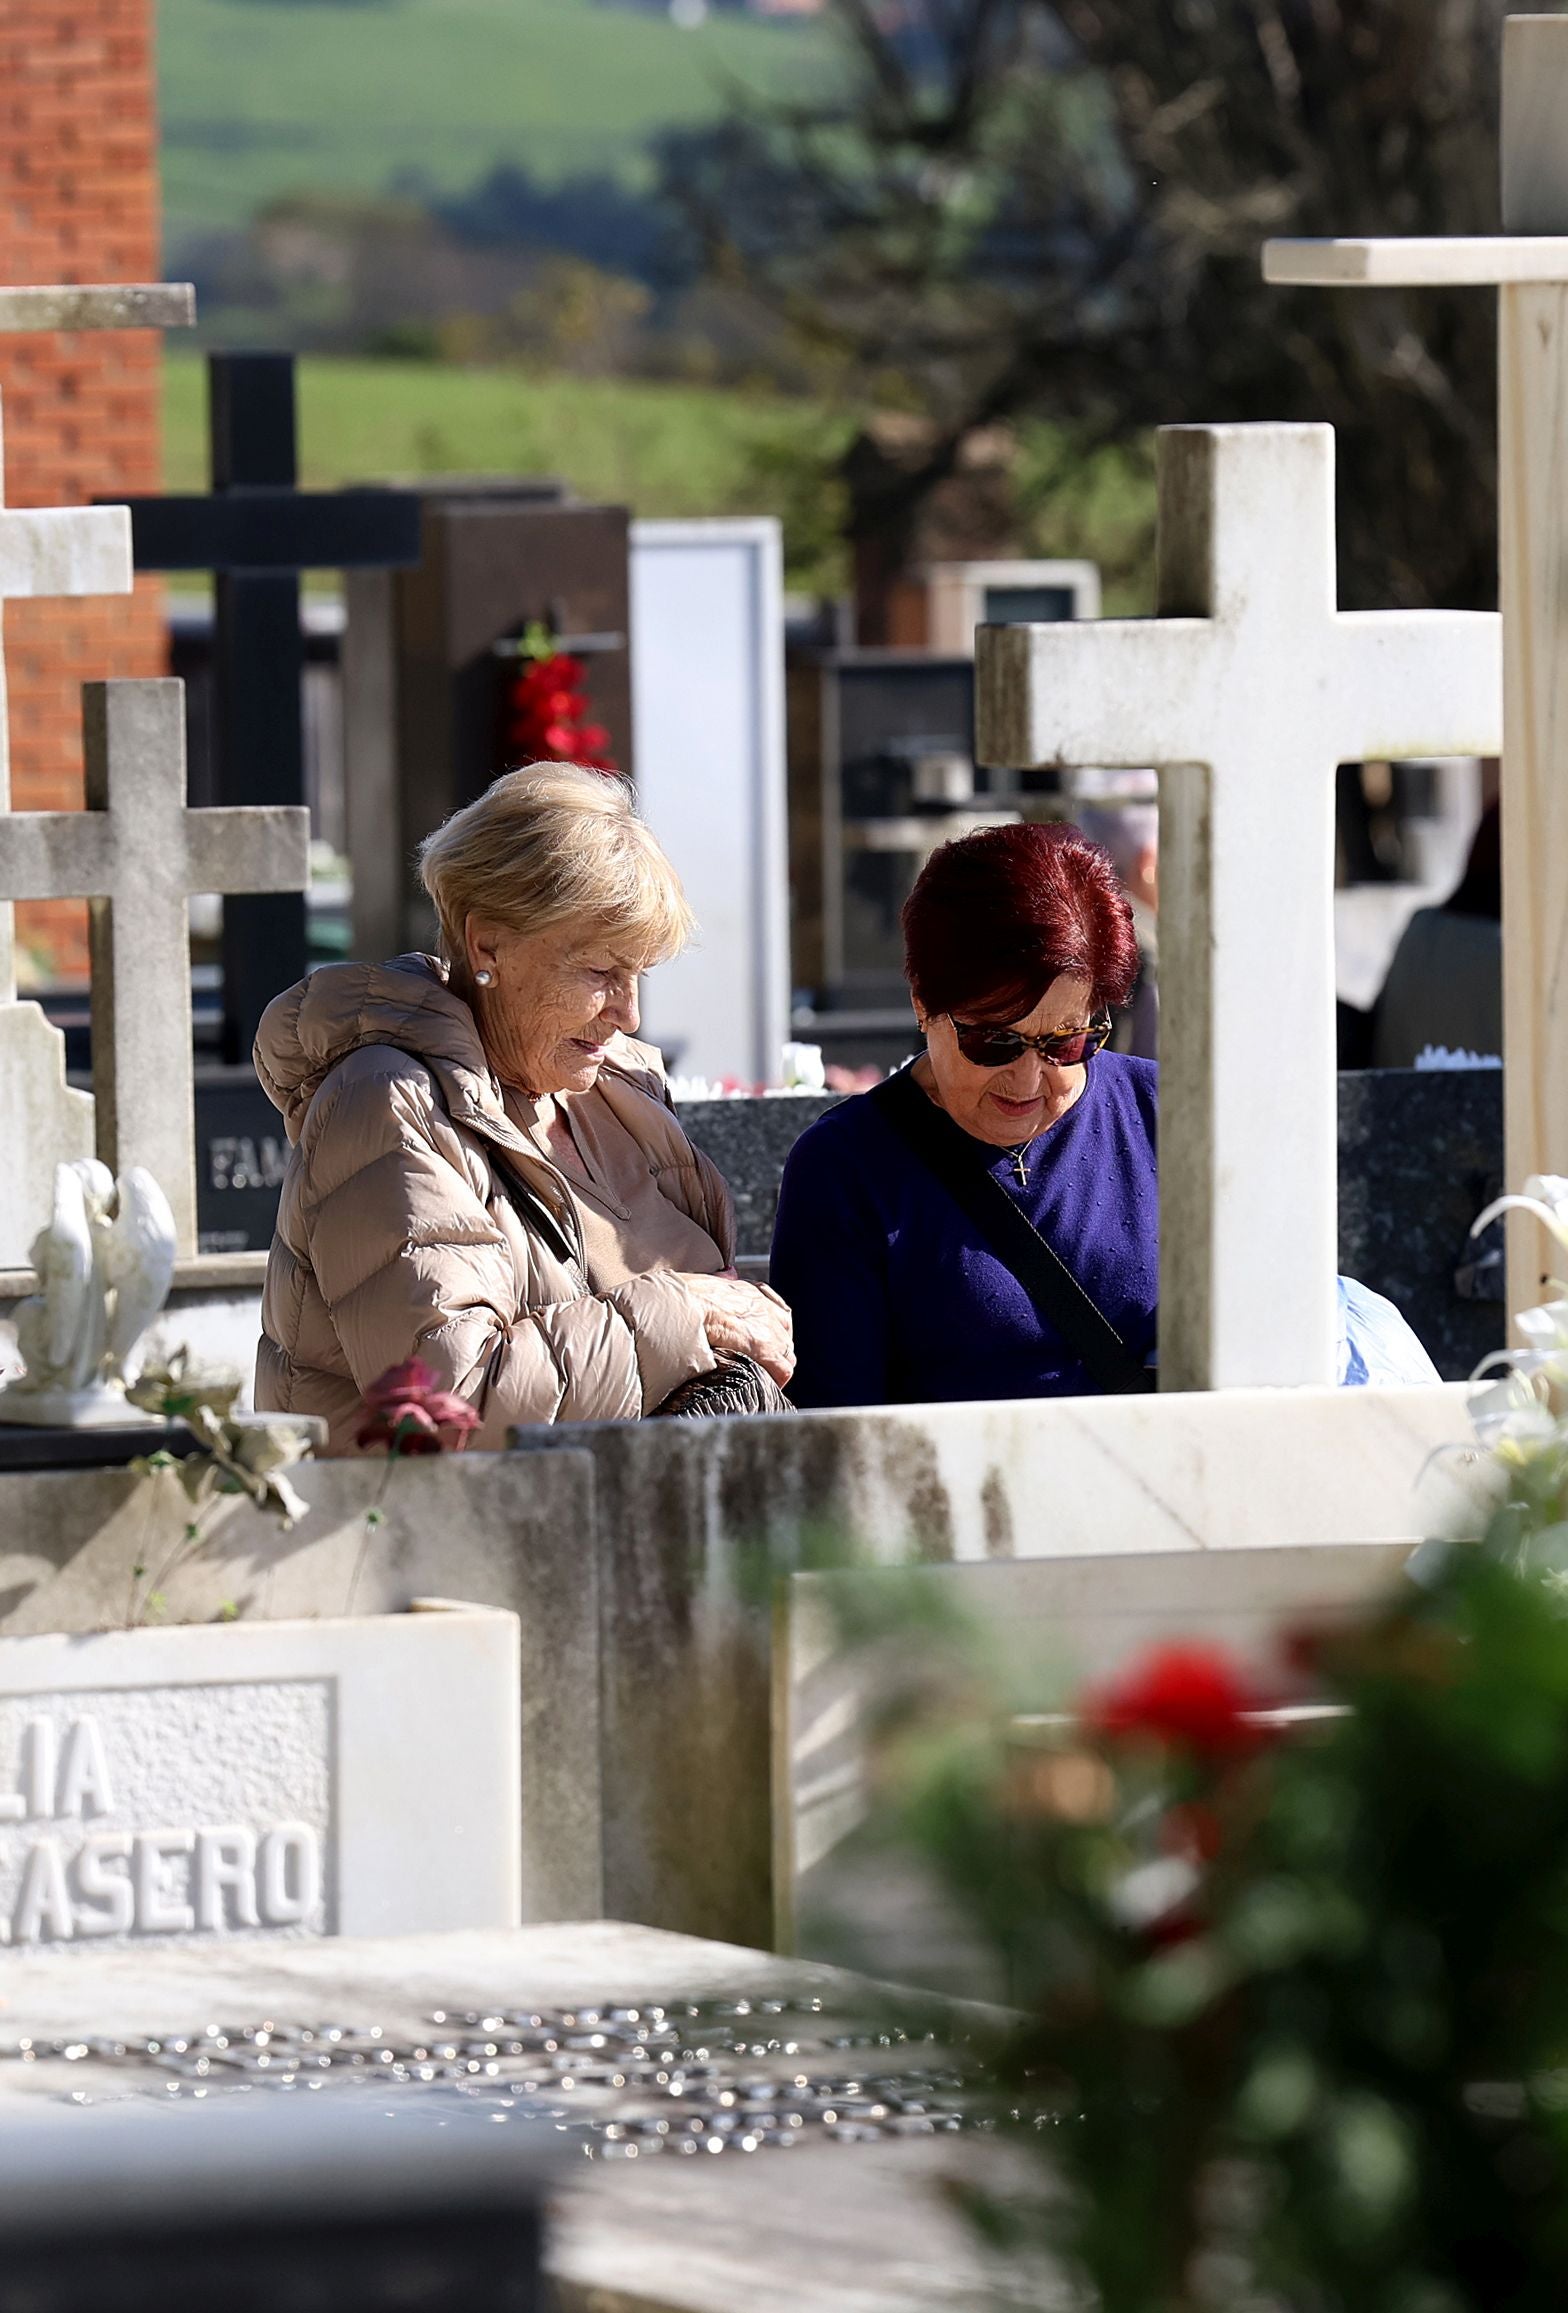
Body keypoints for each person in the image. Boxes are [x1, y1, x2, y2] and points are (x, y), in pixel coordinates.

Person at [771, 820, 1436, 1410]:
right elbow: (837, 1449)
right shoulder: (845, 1172)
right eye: (993, 1040)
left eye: (1068, 1040)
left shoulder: (1171, 1117)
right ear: (922, 1002)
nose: (1030, 1078)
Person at [254, 763, 794, 1451]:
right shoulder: (388, 1104)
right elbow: (455, 1400)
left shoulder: (617, 1093)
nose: (628, 1014)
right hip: (445, 1541)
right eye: (600, 972)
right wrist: (685, 1314)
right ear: (488, 945)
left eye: (639, 975)